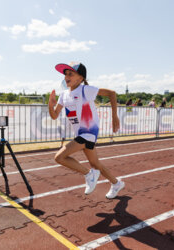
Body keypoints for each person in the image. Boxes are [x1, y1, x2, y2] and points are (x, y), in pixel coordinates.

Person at [48, 62, 125, 199]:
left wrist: (115, 117)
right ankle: (116, 183)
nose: (67, 76)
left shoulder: (85, 90)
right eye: (66, 74)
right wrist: (50, 105)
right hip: (80, 134)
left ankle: (89, 174)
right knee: (96, 164)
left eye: (71, 74)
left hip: (89, 131)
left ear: (81, 78)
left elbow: (111, 94)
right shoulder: (64, 95)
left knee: (59, 157)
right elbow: (54, 116)